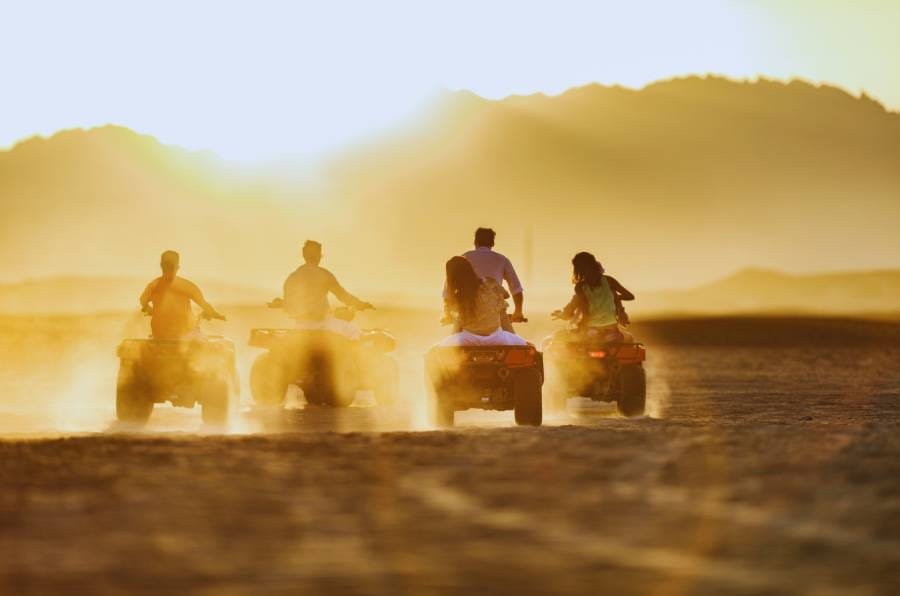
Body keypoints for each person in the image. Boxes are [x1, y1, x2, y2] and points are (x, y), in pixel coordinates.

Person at [279, 240, 374, 339]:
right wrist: (360, 304)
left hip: (300, 326)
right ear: (319, 256)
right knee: (353, 331)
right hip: (323, 325)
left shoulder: (292, 278)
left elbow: (288, 305)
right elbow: (342, 295)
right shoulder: (324, 275)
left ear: (303, 254)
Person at [443, 227, 526, 331]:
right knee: (516, 343)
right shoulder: (501, 261)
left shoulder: (463, 259)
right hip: (495, 313)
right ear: (492, 243)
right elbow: (516, 289)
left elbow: (448, 291)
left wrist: (447, 314)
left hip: (467, 314)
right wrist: (518, 312)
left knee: (452, 341)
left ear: (475, 242)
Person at [437, 256, 527, 347]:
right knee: (527, 346)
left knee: (435, 349)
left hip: (468, 339)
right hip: (496, 338)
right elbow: (506, 295)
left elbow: (458, 324)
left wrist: (453, 338)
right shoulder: (491, 283)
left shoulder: (458, 295)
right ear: (470, 269)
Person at [139, 250, 225, 340]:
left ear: (161, 266)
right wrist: (215, 314)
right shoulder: (186, 286)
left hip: (159, 335)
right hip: (184, 336)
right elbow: (204, 305)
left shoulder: (153, 285)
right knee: (201, 336)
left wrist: (151, 311)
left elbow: (142, 301)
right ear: (178, 267)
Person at [552, 252, 635, 344]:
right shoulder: (609, 281)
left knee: (558, 336)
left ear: (578, 269)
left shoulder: (580, 287)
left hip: (591, 332)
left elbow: (585, 310)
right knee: (628, 338)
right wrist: (615, 299)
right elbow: (630, 296)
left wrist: (563, 315)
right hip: (612, 331)